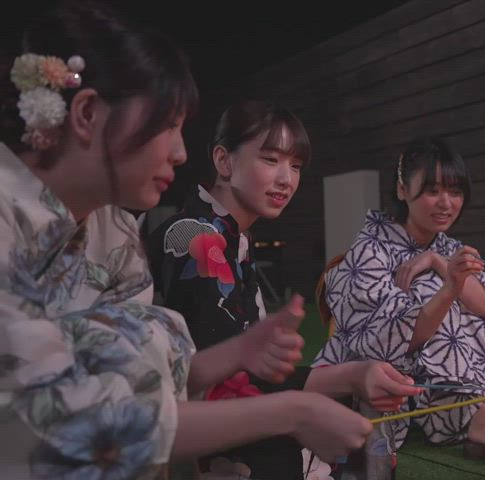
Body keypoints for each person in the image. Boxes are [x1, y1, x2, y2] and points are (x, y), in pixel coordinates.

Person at [0, 3, 373, 479]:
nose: (179, 151)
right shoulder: (194, 236)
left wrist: (238, 353)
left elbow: (153, 372)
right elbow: (49, 416)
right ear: (87, 112)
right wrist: (294, 409)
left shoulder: (114, 228)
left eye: (295, 166)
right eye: (167, 125)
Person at [143, 99, 421, 478]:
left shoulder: (229, 235)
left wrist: (356, 375)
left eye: (295, 166)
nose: (286, 179)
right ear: (224, 161)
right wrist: (349, 377)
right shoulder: (199, 237)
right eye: (270, 160)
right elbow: (230, 377)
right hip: (180, 430)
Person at [314, 137, 485, 470]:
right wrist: (448, 286)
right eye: (432, 190)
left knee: (462, 296)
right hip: (380, 370)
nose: (446, 203)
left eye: (456, 192)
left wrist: (438, 261)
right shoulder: (370, 249)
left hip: (437, 371)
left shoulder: (448, 246)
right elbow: (391, 341)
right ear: (403, 190)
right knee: (438, 289)